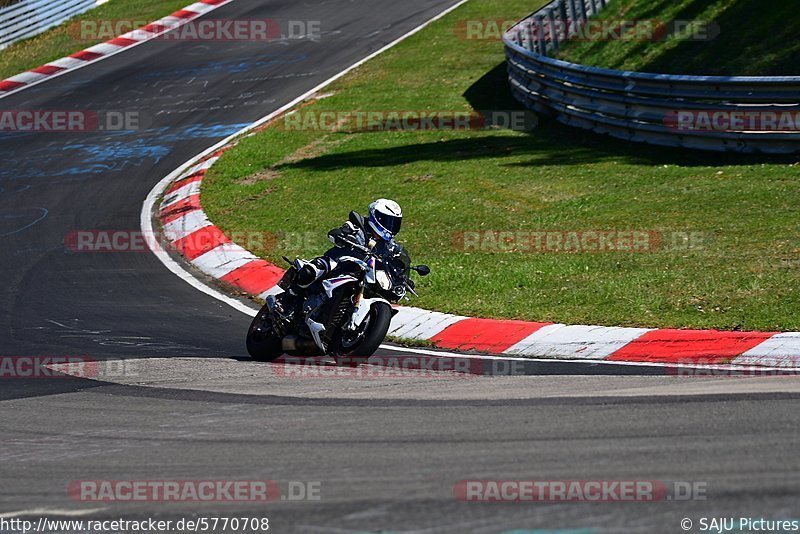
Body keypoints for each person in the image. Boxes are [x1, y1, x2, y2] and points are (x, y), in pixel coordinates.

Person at [292, 198, 403, 290]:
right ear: (377, 217)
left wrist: (402, 275)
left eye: (394, 223)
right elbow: (337, 233)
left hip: (364, 274)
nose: (391, 226)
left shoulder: (389, 245)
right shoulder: (358, 227)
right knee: (311, 271)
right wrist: (342, 236)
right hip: (339, 262)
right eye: (388, 221)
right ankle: (287, 299)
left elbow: (394, 259)